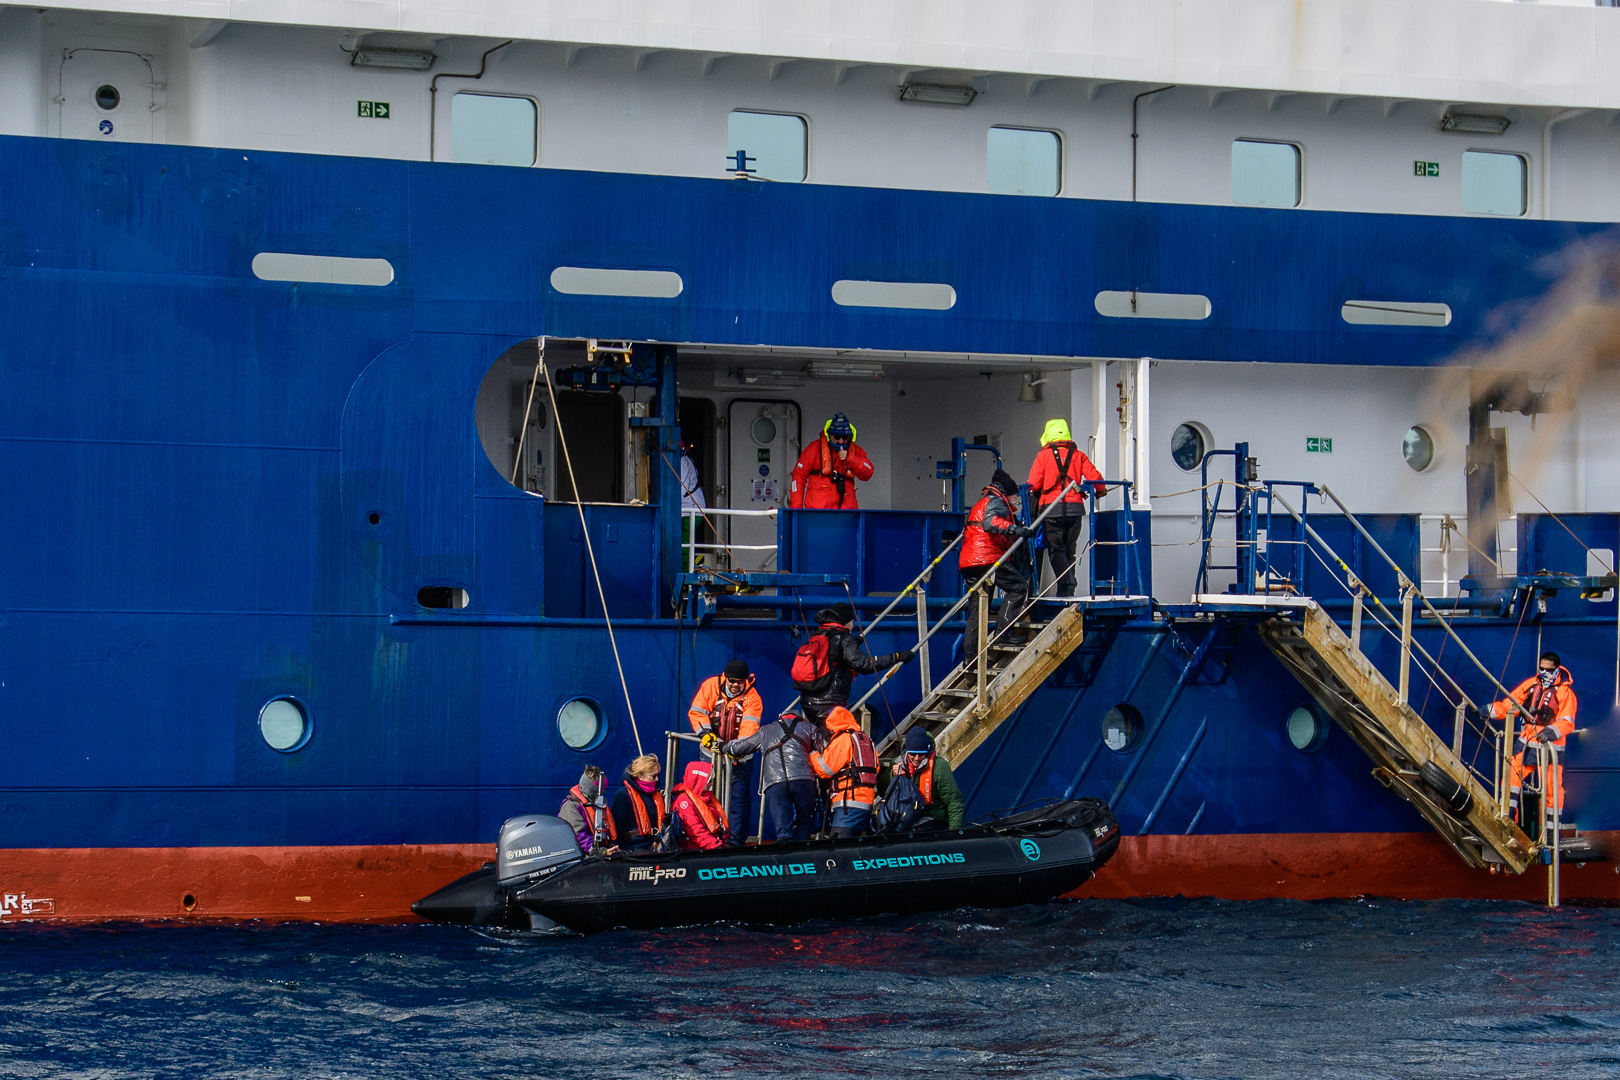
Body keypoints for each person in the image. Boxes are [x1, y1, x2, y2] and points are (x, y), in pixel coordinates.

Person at [1493, 651, 1577, 832]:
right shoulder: (1530, 685)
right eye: (1542, 669)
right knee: (1510, 777)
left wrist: (1551, 731)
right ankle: (1507, 820)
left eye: (1549, 670)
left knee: (1552, 789)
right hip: (1527, 743)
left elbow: (1567, 722)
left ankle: (1550, 832)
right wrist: (1489, 710)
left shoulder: (1565, 692)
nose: (1544, 673)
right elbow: (1510, 705)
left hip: (1551, 748)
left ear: (1557, 670)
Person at [958, 469, 1034, 660]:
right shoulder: (997, 501)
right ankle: (1003, 634)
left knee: (978, 609)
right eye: (1014, 495)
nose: (1016, 499)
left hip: (969, 561)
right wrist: (1015, 529)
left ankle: (970, 658)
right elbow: (990, 522)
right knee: (1018, 587)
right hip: (988, 559)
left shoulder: (981, 502)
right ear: (1008, 492)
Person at [799, 602, 915, 727]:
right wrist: (896, 657)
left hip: (808, 703)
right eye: (851, 621)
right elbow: (864, 664)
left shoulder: (819, 635)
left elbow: (832, 658)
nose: (853, 625)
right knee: (840, 736)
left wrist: (851, 645)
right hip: (828, 706)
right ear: (845, 622)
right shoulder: (844, 639)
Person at [1026, 419, 1107, 597]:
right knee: (1070, 550)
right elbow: (1096, 479)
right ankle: (1066, 590)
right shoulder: (1079, 455)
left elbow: (1033, 484)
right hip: (1075, 509)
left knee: (1056, 550)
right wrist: (1101, 491)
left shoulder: (1043, 456)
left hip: (1050, 510)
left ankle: (1067, 582)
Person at [688, 659, 764, 845]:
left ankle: (735, 843)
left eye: (740, 681)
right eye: (732, 681)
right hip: (710, 755)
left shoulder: (752, 697)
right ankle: (707, 840)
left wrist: (734, 749)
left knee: (739, 801)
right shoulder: (710, 686)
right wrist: (706, 734)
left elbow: (749, 727)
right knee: (705, 797)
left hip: (739, 760)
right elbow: (697, 713)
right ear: (725, 677)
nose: (736, 685)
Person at [723, 709, 823, 843]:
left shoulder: (766, 730)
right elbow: (822, 751)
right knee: (804, 821)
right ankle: (802, 850)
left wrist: (725, 747)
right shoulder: (809, 728)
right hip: (804, 779)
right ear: (799, 718)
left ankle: (785, 849)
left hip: (775, 782)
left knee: (783, 831)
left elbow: (740, 748)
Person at [809, 705, 878, 837]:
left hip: (848, 804)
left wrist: (813, 755)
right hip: (867, 803)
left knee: (839, 845)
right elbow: (876, 767)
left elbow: (825, 769)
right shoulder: (867, 740)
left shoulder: (843, 739)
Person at [879, 728, 966, 831]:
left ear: (927, 751)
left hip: (931, 815)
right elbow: (881, 791)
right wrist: (892, 775)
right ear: (907, 751)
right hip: (904, 815)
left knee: (914, 832)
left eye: (921, 754)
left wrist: (954, 832)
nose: (916, 758)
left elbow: (954, 800)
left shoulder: (939, 767)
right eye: (912, 754)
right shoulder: (896, 763)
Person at [789, 412, 874, 509]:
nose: (841, 441)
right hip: (818, 512)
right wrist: (796, 508)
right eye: (837, 437)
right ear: (829, 435)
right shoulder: (814, 449)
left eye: (845, 437)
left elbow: (868, 472)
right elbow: (798, 476)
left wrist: (850, 458)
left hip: (847, 512)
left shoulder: (855, 451)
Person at [609, 754, 666, 852]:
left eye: (658, 775)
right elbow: (616, 825)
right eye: (653, 776)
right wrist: (617, 848)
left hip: (655, 843)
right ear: (640, 776)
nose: (657, 779)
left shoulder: (656, 794)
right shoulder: (623, 795)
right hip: (634, 846)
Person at [671, 759, 728, 850]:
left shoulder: (707, 798)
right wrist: (717, 846)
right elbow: (695, 831)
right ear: (699, 780)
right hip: (696, 850)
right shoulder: (683, 802)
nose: (712, 784)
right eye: (709, 781)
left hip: (714, 845)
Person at [557, 766, 616, 854]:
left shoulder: (598, 804)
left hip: (598, 852)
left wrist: (611, 847)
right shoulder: (571, 806)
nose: (603, 791)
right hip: (582, 854)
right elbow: (579, 836)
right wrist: (600, 852)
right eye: (600, 788)